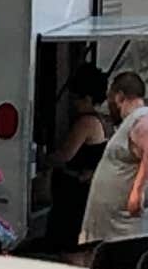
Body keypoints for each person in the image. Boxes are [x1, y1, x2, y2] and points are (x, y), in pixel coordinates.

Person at [77, 64, 148, 269]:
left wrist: (137, 191)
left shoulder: (144, 117)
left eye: (110, 100)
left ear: (119, 97)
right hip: (121, 235)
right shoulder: (131, 123)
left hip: (137, 235)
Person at [39, 58, 110, 247]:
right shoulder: (103, 121)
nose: (73, 103)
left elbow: (65, 155)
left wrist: (43, 159)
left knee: (69, 248)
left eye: (76, 98)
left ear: (86, 98)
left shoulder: (85, 123)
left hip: (74, 194)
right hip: (87, 191)